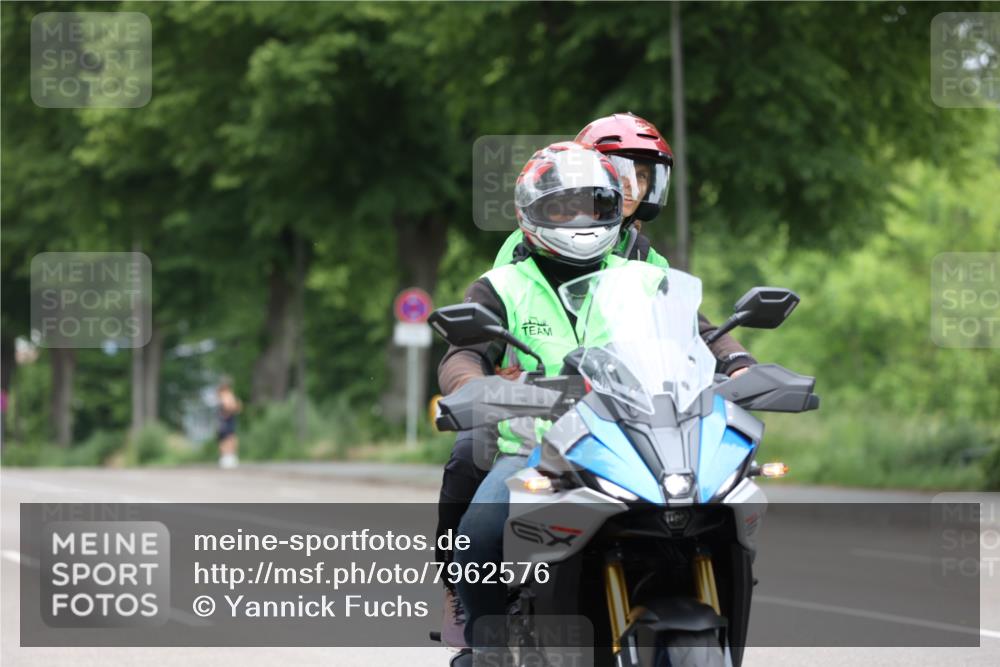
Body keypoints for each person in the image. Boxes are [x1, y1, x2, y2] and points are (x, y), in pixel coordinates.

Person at [436, 119, 755, 651]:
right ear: (531, 212)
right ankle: (486, 645)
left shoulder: (642, 276)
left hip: (632, 436)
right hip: (535, 447)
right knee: (477, 536)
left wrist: (742, 365)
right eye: (562, 207)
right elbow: (463, 351)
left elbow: (702, 331)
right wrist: (474, 384)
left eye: (593, 205)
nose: (578, 219)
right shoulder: (502, 284)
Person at [216, 377, 242, 469]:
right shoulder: (225, 395)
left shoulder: (222, 394)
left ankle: (228, 457)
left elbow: (236, 407)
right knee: (227, 438)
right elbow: (230, 407)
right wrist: (234, 406)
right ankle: (227, 458)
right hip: (225, 419)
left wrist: (235, 406)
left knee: (228, 438)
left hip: (226, 419)